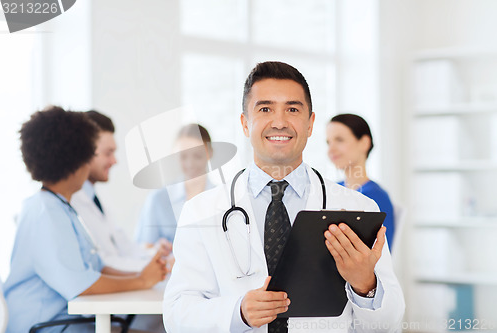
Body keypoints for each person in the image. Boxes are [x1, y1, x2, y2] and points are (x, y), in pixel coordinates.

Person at [162, 62, 405, 332]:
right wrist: (237, 311)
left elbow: (389, 324)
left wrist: (365, 285)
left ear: (310, 123)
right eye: (265, 109)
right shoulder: (201, 211)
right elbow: (176, 315)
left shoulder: (358, 207)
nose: (279, 122)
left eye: (292, 109)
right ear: (245, 123)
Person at [4, 106, 167, 333]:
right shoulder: (45, 213)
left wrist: (146, 274)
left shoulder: (61, 208)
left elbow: (97, 268)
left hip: (69, 323)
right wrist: (141, 280)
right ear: (76, 162)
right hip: (48, 327)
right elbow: (82, 285)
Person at [71, 110, 171, 272]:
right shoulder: (73, 202)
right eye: (108, 153)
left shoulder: (94, 199)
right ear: (84, 152)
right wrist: (158, 265)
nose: (114, 161)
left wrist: (154, 252)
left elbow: (124, 248)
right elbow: (102, 262)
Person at [136, 124, 215, 246]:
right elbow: (142, 249)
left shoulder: (223, 199)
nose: (190, 164)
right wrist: (160, 252)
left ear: (210, 153)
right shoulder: (157, 199)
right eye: (183, 157)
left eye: (197, 156)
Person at [326, 114, 396, 248]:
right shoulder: (331, 190)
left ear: (364, 143)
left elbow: (380, 255)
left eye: (339, 140)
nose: (331, 150)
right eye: (328, 142)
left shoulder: (376, 197)